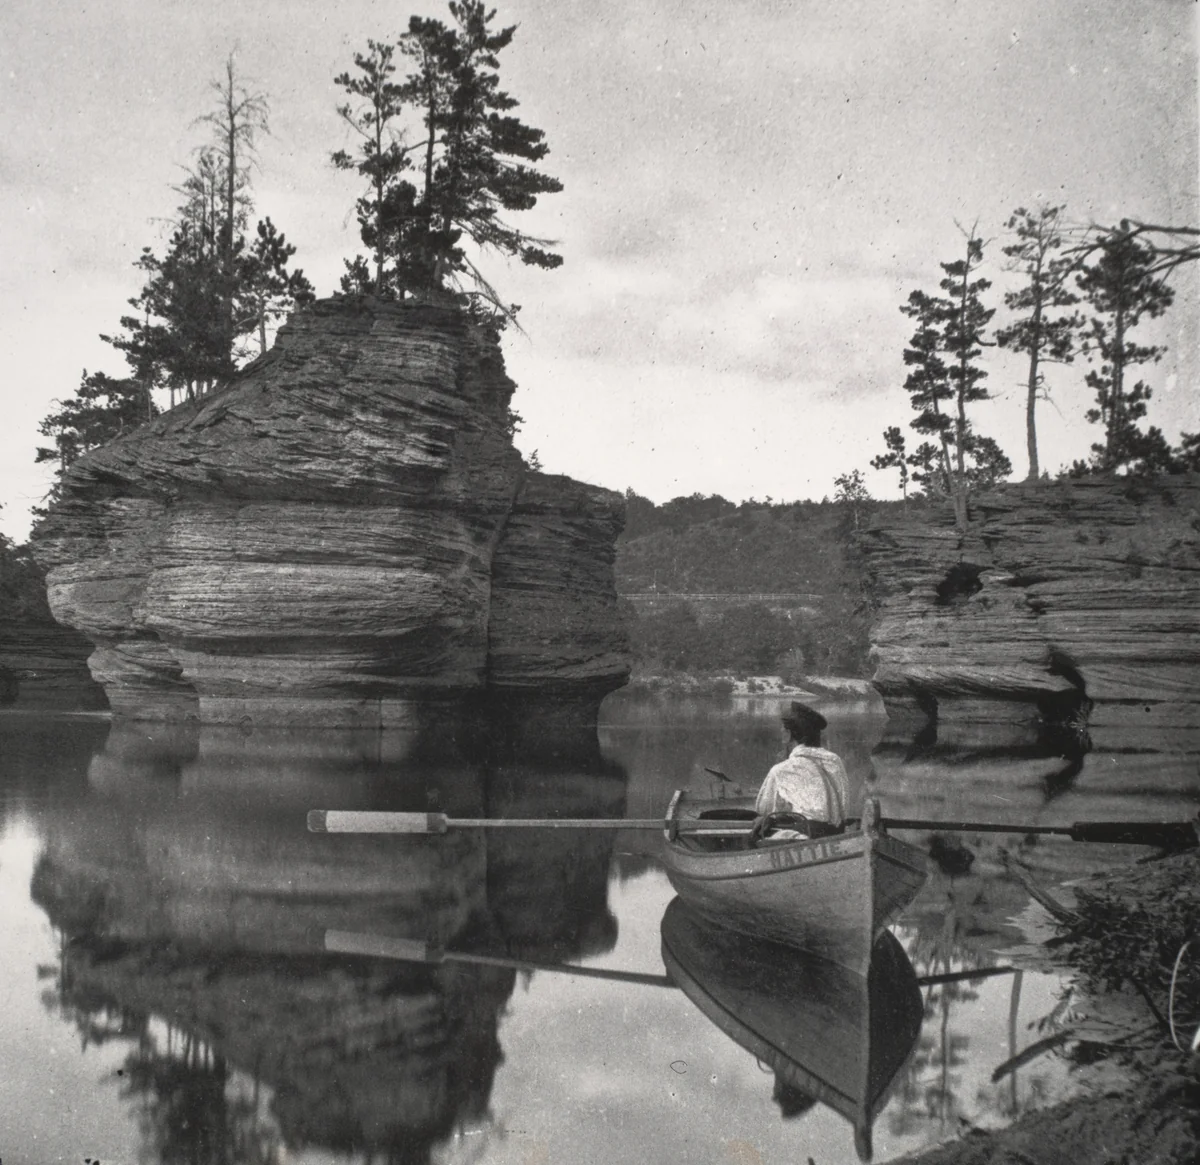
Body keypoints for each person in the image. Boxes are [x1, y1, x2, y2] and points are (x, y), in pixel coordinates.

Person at [750, 701, 850, 844]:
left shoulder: (781, 769)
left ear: (789, 734)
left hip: (807, 835)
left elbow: (763, 809)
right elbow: (843, 807)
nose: (780, 732)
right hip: (837, 833)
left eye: (783, 729)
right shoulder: (835, 761)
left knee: (755, 836)